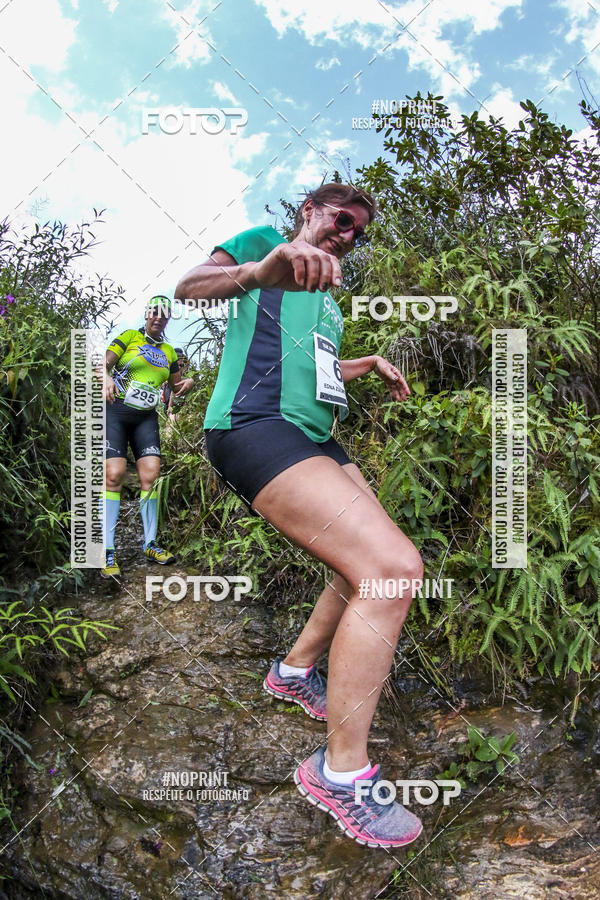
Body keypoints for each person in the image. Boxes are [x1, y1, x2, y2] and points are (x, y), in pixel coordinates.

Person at [175, 183, 424, 848]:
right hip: (255, 426)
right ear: (311, 209)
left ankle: (292, 673)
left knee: (363, 561)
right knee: (394, 569)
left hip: (315, 435)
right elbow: (191, 287)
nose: (347, 235)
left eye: (358, 232)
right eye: (342, 220)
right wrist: (259, 269)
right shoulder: (268, 247)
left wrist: (362, 364)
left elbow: (313, 369)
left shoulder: (329, 303)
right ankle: (339, 774)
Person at [100, 296, 194, 578]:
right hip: (116, 412)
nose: (158, 318)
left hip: (146, 418)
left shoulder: (169, 352)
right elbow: (102, 364)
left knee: (151, 476)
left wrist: (187, 383)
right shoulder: (129, 337)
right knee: (114, 474)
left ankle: (150, 543)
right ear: (147, 314)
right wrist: (106, 377)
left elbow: (177, 385)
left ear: (167, 320)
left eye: (164, 315)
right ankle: (107, 551)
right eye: (155, 313)